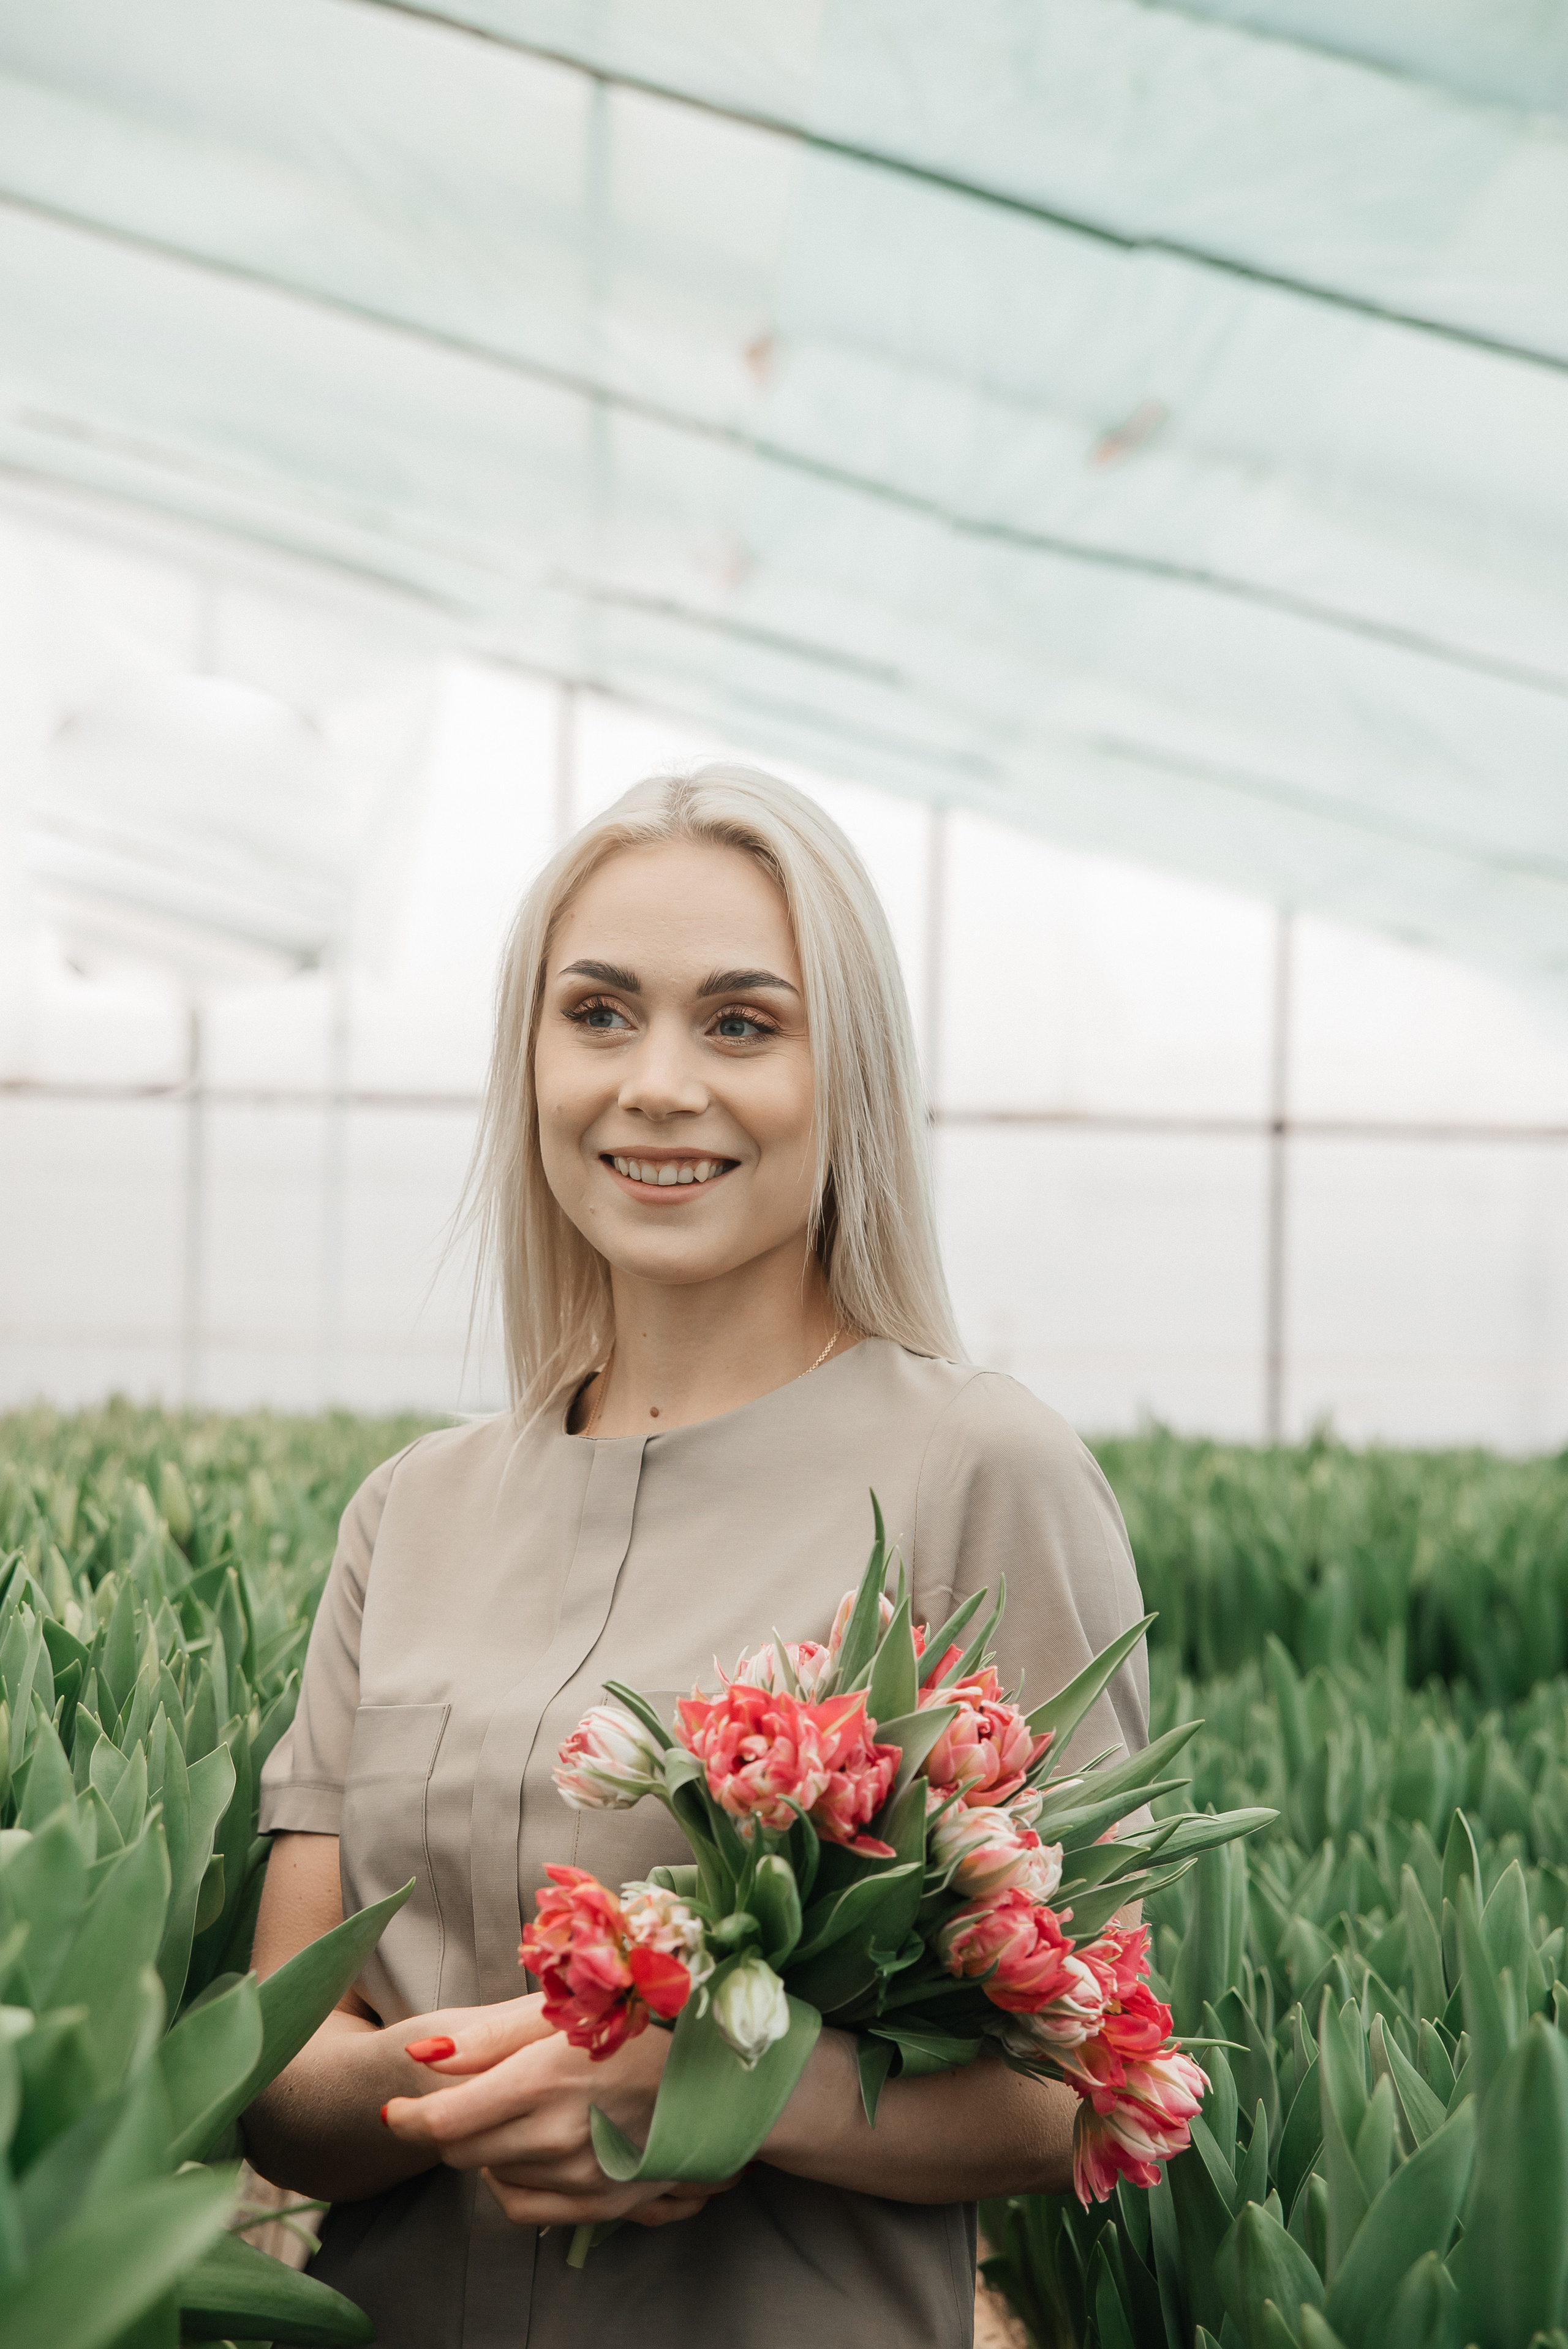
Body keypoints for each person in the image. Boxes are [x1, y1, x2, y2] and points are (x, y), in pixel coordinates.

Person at [246, 763, 1148, 2349]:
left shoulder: (978, 1470)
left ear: (845, 1072)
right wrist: (465, 2082)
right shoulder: (414, 1508)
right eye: (599, 1013)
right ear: (532, 1059)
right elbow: (288, 2061)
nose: (658, 1082)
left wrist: (712, 2083)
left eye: (742, 1022)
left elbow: (1079, 2091)